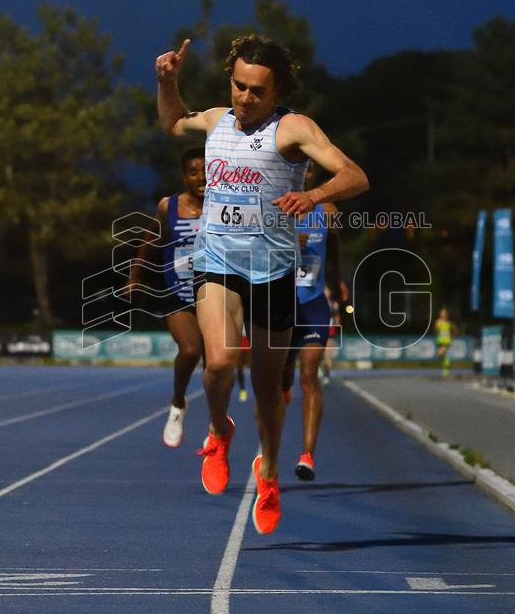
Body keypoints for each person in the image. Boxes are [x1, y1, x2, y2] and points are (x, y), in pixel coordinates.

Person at [155, 34, 369, 534]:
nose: (245, 98)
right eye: (239, 86)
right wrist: (167, 83)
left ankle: (268, 470)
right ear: (230, 78)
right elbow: (170, 121)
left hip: (272, 272)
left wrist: (313, 195)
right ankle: (217, 429)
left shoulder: (293, 128)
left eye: (257, 91)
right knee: (221, 363)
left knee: (271, 388)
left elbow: (356, 176)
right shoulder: (215, 120)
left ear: (276, 92)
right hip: (216, 262)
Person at [126, 148, 206, 448]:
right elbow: (150, 242)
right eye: (193, 171)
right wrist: (135, 277)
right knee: (189, 350)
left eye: (205, 169)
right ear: (184, 175)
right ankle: (177, 403)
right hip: (178, 293)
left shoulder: (223, 203)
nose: (201, 177)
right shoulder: (168, 206)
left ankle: (217, 424)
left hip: (215, 294)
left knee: (217, 365)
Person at [280, 171, 347, 481]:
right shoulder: (274, 207)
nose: (301, 176)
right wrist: (288, 241)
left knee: (309, 376)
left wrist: (338, 280)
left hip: (313, 305)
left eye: (307, 172)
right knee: (280, 380)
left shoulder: (328, 212)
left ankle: (307, 455)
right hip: (279, 305)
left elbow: (333, 249)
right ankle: (270, 442)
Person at [435, 307, 454, 377]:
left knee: (441, 353)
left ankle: (446, 369)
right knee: (444, 357)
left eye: (444, 313)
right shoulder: (438, 322)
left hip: (447, 341)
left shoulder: (449, 322)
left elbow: (453, 330)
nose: (443, 314)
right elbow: (436, 331)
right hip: (440, 340)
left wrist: (451, 337)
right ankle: (446, 371)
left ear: (447, 314)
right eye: (442, 313)